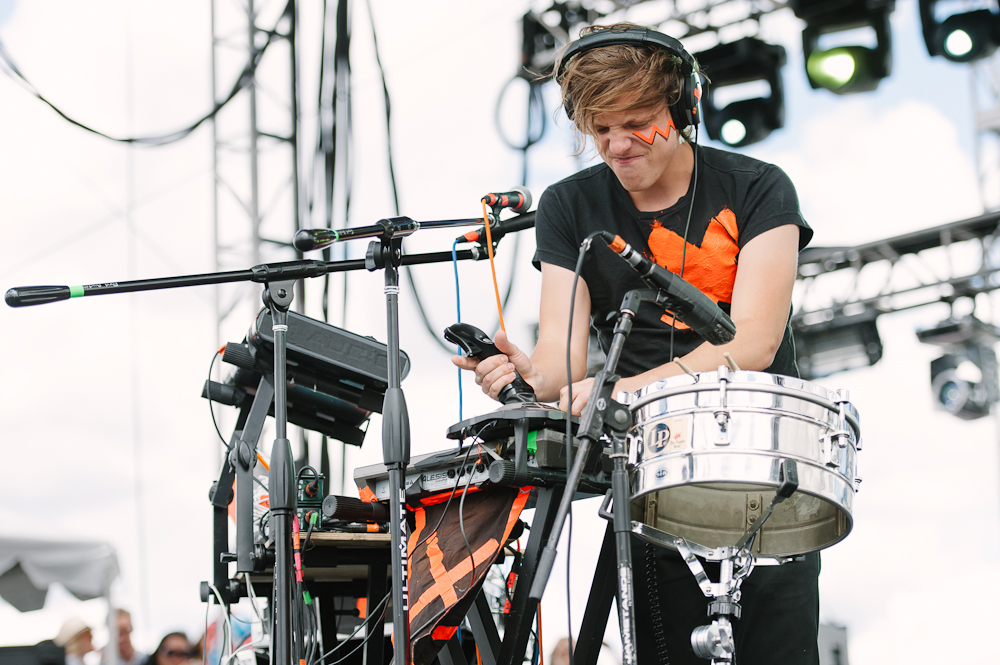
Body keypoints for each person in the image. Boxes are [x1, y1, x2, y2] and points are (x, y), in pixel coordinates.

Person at [453, 22, 818, 665]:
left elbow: (755, 341)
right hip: (648, 472)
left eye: (639, 122)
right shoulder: (569, 204)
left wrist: (621, 390)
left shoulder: (759, 186)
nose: (619, 145)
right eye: (601, 130)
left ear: (684, 109)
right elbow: (563, 362)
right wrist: (525, 375)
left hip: (761, 471)